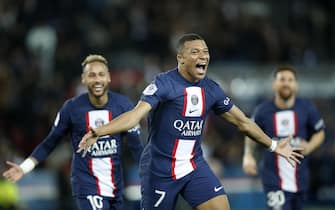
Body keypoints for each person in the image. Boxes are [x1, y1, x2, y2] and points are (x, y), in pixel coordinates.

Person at [77, 34, 303, 210]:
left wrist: (273, 145)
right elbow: (135, 115)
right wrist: (101, 131)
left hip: (194, 166)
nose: (203, 56)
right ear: (181, 58)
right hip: (160, 171)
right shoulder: (164, 84)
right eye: (195, 52)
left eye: (205, 52)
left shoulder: (211, 89)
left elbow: (242, 121)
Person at [2, 54, 144, 210]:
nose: (97, 80)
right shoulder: (71, 108)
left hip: (116, 186)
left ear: (109, 77)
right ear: (83, 79)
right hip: (86, 185)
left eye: (101, 74)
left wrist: (149, 176)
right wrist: (24, 167)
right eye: (91, 75)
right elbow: (49, 143)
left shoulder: (123, 105)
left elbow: (136, 146)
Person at [242, 66, 325, 210]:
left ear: (296, 85)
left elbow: (320, 132)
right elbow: (250, 132)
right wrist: (248, 156)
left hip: (301, 179)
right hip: (274, 179)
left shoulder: (307, 107)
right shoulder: (263, 110)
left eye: (290, 80)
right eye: (282, 79)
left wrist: (310, 146)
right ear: (274, 84)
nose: (286, 83)